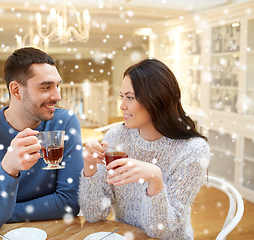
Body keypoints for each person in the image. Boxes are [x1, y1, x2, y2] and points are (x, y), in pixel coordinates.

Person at [78, 58, 210, 239]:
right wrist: (90, 166)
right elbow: (94, 214)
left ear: (156, 100)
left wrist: (155, 179)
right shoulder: (117, 136)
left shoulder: (193, 150)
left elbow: (160, 231)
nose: (122, 105)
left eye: (130, 97)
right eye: (122, 96)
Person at [0, 47, 84, 231]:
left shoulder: (65, 122)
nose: (57, 96)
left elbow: (69, 203)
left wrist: (1, 215)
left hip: (56, 230)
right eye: (46, 87)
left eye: (57, 85)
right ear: (16, 90)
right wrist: (9, 168)